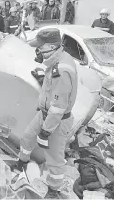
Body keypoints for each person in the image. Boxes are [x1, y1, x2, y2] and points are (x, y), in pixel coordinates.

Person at [18, 28, 78, 199]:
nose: (38, 51)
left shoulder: (62, 69)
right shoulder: (56, 61)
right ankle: (22, 162)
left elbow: (59, 106)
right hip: (45, 113)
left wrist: (46, 131)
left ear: (52, 46)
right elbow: (53, 89)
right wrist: (44, 75)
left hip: (57, 120)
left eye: (40, 47)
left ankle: (54, 189)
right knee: (27, 136)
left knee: (54, 158)